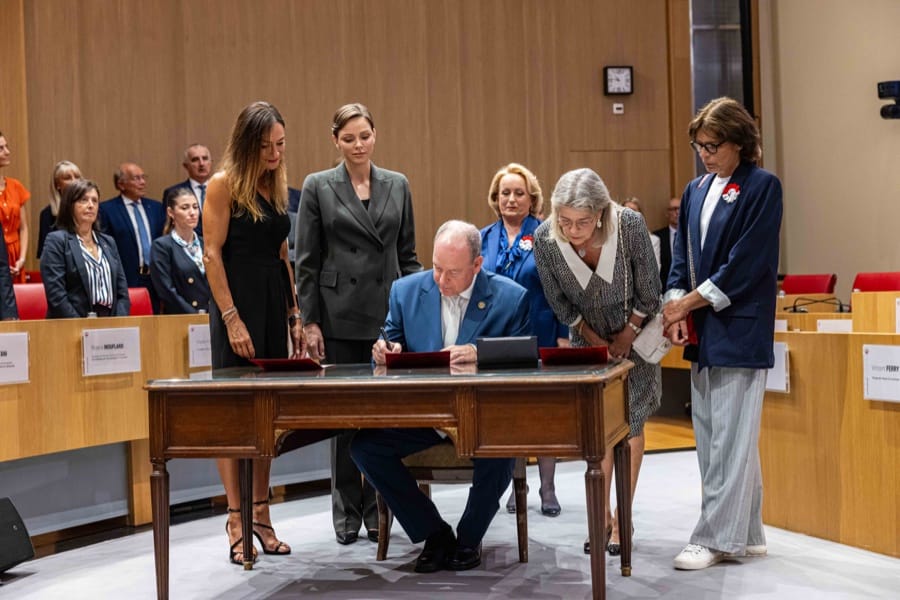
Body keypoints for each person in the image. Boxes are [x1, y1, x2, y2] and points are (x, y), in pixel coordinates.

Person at [351, 220, 531, 572]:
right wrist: (385, 350)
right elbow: (390, 338)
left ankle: (468, 538)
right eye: (436, 268)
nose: (441, 281)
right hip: (424, 416)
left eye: (452, 272)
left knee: (500, 452)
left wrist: (482, 354)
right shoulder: (405, 291)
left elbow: (526, 359)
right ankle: (433, 532)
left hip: (482, 417)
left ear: (477, 266)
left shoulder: (510, 298)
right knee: (364, 448)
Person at [662, 97, 782, 570]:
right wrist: (674, 307)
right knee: (714, 434)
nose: (705, 154)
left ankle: (714, 537)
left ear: (740, 142)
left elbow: (748, 263)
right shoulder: (695, 190)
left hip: (740, 327)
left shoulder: (762, 187)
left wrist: (687, 302)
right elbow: (681, 258)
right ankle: (748, 530)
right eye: (699, 146)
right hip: (703, 331)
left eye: (713, 145)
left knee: (729, 440)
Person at [296, 102, 422, 546]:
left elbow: (408, 256)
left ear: (375, 135)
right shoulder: (317, 185)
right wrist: (309, 321)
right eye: (348, 138)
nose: (357, 145)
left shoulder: (398, 184)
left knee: (385, 419)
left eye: (364, 136)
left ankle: (378, 508)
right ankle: (347, 510)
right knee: (346, 419)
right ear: (335, 141)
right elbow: (306, 260)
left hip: (387, 312)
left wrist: (418, 312)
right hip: (338, 314)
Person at [533, 168, 661, 556]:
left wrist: (627, 335)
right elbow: (559, 302)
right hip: (585, 340)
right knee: (598, 429)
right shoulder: (545, 238)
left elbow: (650, 292)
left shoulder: (630, 226)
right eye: (565, 221)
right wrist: (594, 341)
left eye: (583, 222)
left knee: (631, 423)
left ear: (602, 213)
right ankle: (600, 517)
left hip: (635, 334)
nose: (573, 230)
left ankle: (625, 517)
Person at [203, 101, 305, 565]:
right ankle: (236, 518)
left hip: (270, 304)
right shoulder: (223, 185)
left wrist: (294, 314)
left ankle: (262, 514)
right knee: (232, 419)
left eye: (280, 145)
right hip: (236, 304)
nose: (275, 154)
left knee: (266, 416)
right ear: (247, 145)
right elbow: (211, 254)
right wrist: (230, 317)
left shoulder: (276, 185)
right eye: (266, 146)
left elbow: (283, 255)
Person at [480, 163, 568, 517]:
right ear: (495, 199)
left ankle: (548, 487)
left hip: (541, 333)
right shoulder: (483, 237)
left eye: (519, 193)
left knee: (543, 414)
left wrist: (563, 335)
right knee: (508, 415)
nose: (511, 199)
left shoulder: (549, 235)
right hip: (497, 340)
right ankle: (518, 484)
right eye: (505, 193)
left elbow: (563, 290)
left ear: (532, 199)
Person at [40, 179, 130, 318]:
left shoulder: (109, 242)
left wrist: (118, 323)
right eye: (83, 200)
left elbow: (122, 292)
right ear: (69, 206)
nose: (90, 205)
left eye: (94, 201)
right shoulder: (57, 241)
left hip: (110, 324)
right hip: (71, 325)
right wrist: (81, 326)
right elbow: (56, 296)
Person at [99, 162, 166, 312]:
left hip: (155, 279)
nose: (142, 182)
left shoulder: (156, 208)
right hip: (126, 278)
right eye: (136, 178)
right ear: (121, 184)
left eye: (143, 177)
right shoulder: (107, 210)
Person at [150, 188, 210, 313]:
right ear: (171, 212)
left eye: (195, 207)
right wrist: (194, 316)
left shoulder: (207, 243)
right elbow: (166, 291)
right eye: (185, 208)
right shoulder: (162, 246)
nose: (192, 212)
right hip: (181, 319)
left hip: (212, 317)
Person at [162, 144, 213, 236]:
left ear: (211, 162)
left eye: (205, 158)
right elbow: (169, 226)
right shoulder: (172, 192)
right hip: (188, 246)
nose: (201, 164)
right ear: (186, 166)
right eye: (195, 160)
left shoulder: (224, 190)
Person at [0, 131, 30, 283]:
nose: (7, 152)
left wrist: (22, 259)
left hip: (15, 255)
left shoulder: (16, 186)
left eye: (7, 146)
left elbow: (23, 228)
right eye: (1, 148)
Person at [37, 161, 82, 260]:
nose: (74, 181)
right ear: (58, 185)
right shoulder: (47, 214)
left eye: (77, 177)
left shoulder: (91, 210)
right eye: (68, 178)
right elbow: (45, 254)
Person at [622, 197, 661, 271]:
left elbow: (655, 270)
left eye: (633, 211)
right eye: (625, 211)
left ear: (640, 216)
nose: (629, 215)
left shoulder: (653, 240)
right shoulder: (613, 239)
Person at [654, 196, 681, 288]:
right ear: (667, 213)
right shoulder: (657, 237)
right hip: (664, 288)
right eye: (674, 209)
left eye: (680, 208)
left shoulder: (692, 235)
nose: (677, 212)